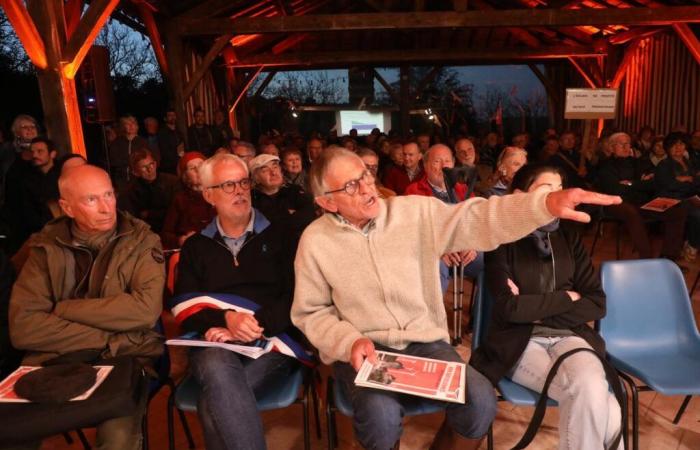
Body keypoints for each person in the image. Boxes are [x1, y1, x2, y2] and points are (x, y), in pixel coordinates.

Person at [291, 147, 621, 450]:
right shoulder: (315, 242)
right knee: (380, 417)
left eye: (365, 174)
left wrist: (541, 205)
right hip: (364, 348)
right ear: (326, 202)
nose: (366, 187)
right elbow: (311, 312)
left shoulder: (411, 212)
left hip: (424, 341)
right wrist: (348, 341)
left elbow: (475, 218)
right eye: (350, 185)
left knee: (480, 400)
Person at [9, 164, 164, 450]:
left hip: (123, 357)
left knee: (117, 440)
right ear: (67, 208)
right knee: (10, 432)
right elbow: (23, 328)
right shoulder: (44, 248)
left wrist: (63, 309)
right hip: (54, 358)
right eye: (92, 200)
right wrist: (109, 335)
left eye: (109, 195)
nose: (107, 208)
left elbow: (144, 311)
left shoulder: (142, 241)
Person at [471, 163, 623, 450]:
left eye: (559, 188)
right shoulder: (501, 241)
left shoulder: (568, 238)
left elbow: (597, 303)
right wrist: (568, 298)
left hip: (569, 337)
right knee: (606, 406)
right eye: (545, 188)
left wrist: (532, 303)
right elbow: (509, 309)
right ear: (520, 194)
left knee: (591, 389)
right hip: (519, 342)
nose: (556, 196)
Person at [173, 153, 302, 450]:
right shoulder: (196, 246)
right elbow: (183, 304)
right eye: (228, 185)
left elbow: (298, 295)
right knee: (217, 365)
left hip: (272, 339)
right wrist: (226, 320)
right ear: (208, 195)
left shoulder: (283, 233)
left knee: (212, 403)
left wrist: (255, 324)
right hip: (216, 343)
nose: (240, 191)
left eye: (243, 182)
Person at [595, 132, 687, 260]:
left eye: (628, 143)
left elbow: (654, 183)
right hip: (615, 203)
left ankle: (668, 257)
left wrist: (631, 184)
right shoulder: (605, 165)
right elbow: (614, 189)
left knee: (677, 210)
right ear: (611, 147)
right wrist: (640, 183)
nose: (627, 147)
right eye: (622, 144)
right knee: (631, 211)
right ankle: (647, 259)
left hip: (641, 202)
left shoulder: (638, 162)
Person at [405, 144, 481, 294]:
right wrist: (438, 250)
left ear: (454, 165)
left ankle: (483, 317)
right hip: (435, 252)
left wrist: (473, 244)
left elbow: (476, 221)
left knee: (493, 262)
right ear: (425, 166)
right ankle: (434, 317)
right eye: (436, 161)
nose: (443, 166)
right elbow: (412, 231)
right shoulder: (413, 191)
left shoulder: (463, 189)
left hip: (463, 249)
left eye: (447, 161)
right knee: (435, 268)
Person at [248, 154, 315, 237]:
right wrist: (289, 215)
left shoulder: (295, 190)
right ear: (256, 178)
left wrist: (276, 219)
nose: (273, 173)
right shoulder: (251, 199)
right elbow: (261, 229)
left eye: (275, 167)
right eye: (265, 170)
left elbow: (310, 214)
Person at [161, 152, 215, 249]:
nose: (198, 170)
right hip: (190, 250)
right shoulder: (180, 199)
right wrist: (181, 240)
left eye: (201, 165)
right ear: (185, 176)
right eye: (192, 168)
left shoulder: (220, 193)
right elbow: (166, 234)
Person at [122, 148, 179, 233]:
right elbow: (133, 220)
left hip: (173, 229)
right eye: (144, 168)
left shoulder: (172, 182)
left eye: (151, 164)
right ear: (135, 172)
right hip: (147, 233)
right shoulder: (131, 192)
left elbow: (177, 212)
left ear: (155, 164)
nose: (150, 170)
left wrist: (149, 214)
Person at [108, 115, 149, 190]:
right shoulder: (117, 142)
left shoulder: (143, 142)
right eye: (127, 124)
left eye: (133, 123)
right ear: (123, 127)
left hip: (139, 180)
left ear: (137, 126)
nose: (131, 126)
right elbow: (114, 161)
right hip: (121, 181)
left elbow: (145, 160)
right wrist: (132, 159)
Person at [157, 109, 185, 175]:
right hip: (169, 166)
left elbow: (182, 145)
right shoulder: (162, 133)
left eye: (174, 115)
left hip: (180, 162)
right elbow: (164, 151)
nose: (172, 117)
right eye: (170, 115)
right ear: (165, 118)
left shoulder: (178, 131)